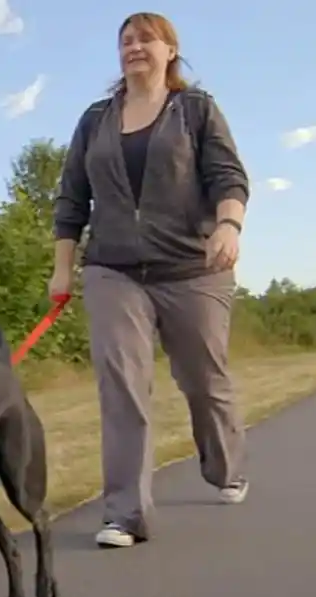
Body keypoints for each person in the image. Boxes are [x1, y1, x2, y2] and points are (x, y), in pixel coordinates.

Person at [49, 11, 251, 549]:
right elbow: (72, 200)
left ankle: (226, 465)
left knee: (204, 381)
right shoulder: (95, 120)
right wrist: (62, 270)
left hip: (192, 267)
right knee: (121, 387)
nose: (134, 47)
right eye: (126, 41)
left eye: (146, 39)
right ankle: (126, 514)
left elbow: (228, 176)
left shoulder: (195, 109)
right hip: (113, 269)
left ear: (170, 51)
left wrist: (228, 225)